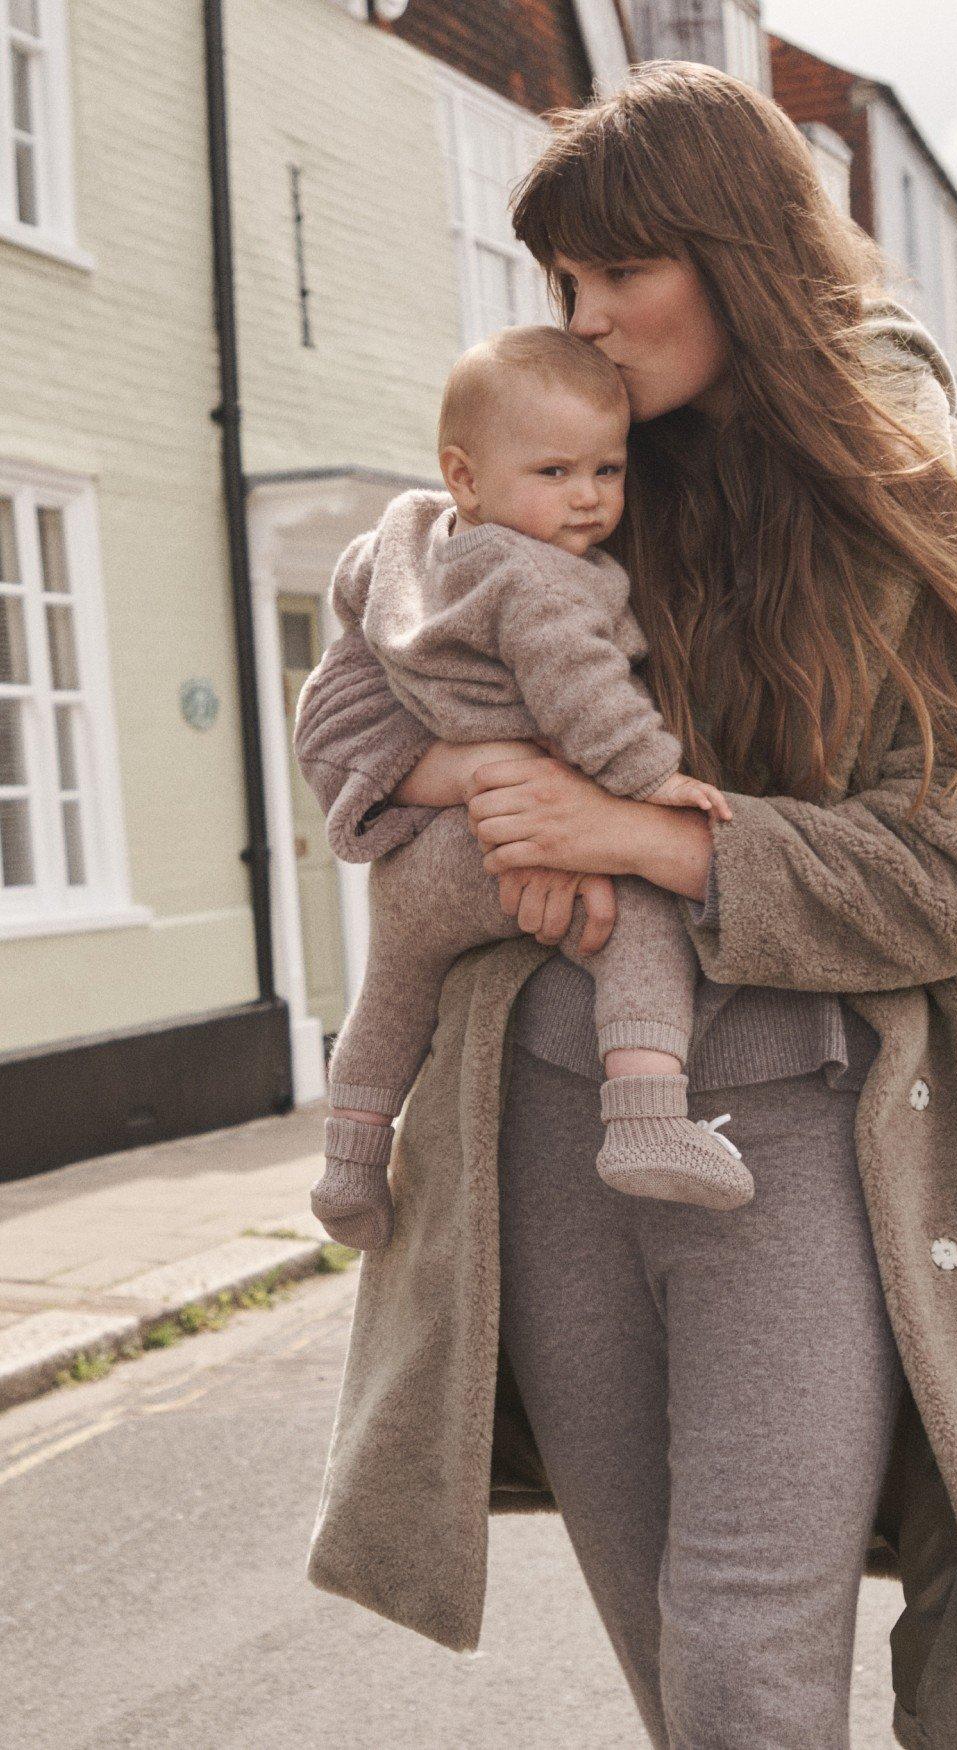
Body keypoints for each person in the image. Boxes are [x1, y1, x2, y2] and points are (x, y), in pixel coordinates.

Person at [294, 61, 957, 1750]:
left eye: (618, 278)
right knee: (680, 1677)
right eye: (560, 289)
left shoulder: (950, 504)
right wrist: (464, 786)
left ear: (738, 255)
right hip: (540, 1125)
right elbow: (366, 674)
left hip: (801, 1123)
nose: (583, 326)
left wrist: (639, 832)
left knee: (750, 1668)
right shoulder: (571, 476)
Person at [310, 324, 753, 1254]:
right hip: (515, 833)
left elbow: (350, 616)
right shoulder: (540, 579)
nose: (588, 499)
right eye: (554, 474)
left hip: (422, 853)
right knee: (641, 916)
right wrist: (651, 781)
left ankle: (349, 1163)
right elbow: (580, 690)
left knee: (391, 990)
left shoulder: (403, 549)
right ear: (465, 476)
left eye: (607, 470)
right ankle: (643, 1118)